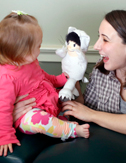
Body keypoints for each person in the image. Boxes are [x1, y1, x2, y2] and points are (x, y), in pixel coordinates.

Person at [13, 9, 126, 138]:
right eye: (98, 36)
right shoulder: (101, 69)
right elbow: (84, 106)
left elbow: (88, 112)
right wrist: (73, 75)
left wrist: (92, 115)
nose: (96, 46)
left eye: (105, 39)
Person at [0, 11, 90, 157]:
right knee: (39, 120)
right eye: (38, 46)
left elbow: (43, 77)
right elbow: (2, 109)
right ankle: (71, 130)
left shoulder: (29, 62)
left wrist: (60, 79)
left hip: (43, 100)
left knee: (66, 103)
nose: (40, 50)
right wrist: (4, 135)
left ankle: (59, 122)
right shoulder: (6, 77)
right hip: (26, 115)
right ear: (22, 52)